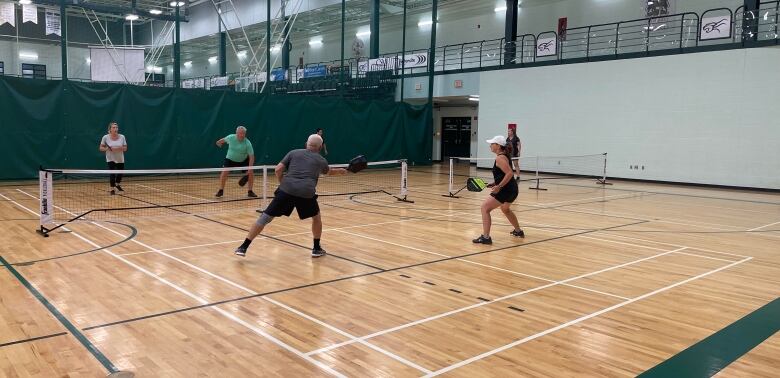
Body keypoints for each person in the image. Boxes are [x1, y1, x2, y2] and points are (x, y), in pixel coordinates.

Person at [234, 134, 347, 257]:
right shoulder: (321, 160)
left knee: (265, 217)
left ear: (306, 144)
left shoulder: (293, 153)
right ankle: (316, 248)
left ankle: (243, 247)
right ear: (320, 148)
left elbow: (278, 169)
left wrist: (283, 183)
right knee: (316, 218)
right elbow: (329, 172)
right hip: (306, 192)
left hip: (287, 189)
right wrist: (340, 171)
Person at [473, 135, 524, 245]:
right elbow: (504, 174)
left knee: (484, 208)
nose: (490, 146)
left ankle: (486, 237)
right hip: (513, 189)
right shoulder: (504, 155)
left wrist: (499, 186)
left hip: (505, 190)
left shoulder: (499, 158)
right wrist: (495, 183)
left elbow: (510, 173)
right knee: (505, 209)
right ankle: (518, 231)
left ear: (498, 146)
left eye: (492, 144)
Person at [215, 126, 257, 198]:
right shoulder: (231, 137)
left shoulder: (247, 143)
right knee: (224, 172)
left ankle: (250, 191)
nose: (241, 135)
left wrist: (250, 169)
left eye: (243, 133)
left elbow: (252, 157)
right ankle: (221, 190)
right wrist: (219, 143)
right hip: (230, 159)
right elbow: (221, 141)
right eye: (240, 133)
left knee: (251, 174)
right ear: (236, 133)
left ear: (245, 134)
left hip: (243, 160)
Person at [99, 122, 128, 195]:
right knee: (112, 174)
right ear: (110, 129)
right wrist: (107, 149)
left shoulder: (122, 137)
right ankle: (112, 189)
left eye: (116, 127)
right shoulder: (105, 137)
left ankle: (117, 184)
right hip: (110, 158)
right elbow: (101, 148)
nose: (115, 129)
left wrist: (119, 148)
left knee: (120, 174)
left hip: (120, 159)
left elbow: (125, 148)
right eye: (114, 127)